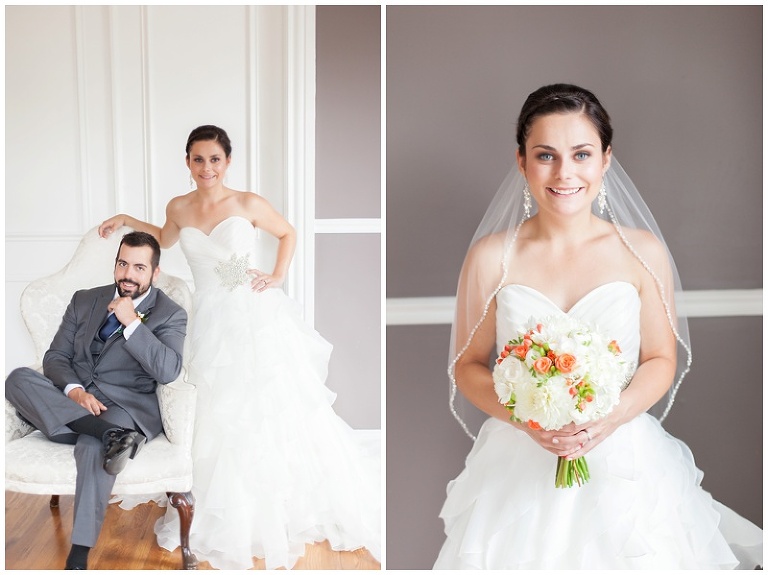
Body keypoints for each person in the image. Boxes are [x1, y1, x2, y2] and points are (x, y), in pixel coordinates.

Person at [433, 84, 763, 569]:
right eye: (546, 156)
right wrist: (528, 420)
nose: (565, 172)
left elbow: (660, 358)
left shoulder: (641, 252)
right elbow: (468, 367)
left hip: (624, 460)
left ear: (605, 159)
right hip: (520, 462)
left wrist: (610, 417)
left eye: (581, 154)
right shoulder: (489, 258)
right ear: (522, 162)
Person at [98, 125, 380, 570]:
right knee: (214, 409)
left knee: (264, 407)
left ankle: (274, 505)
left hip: (253, 315)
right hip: (208, 317)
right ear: (187, 163)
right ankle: (214, 501)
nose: (206, 167)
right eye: (197, 159)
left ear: (227, 162)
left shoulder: (248, 203)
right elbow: (165, 240)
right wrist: (127, 218)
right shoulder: (178, 207)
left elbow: (287, 233)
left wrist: (278, 276)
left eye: (214, 159)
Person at [5, 231, 187, 570]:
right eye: (122, 264)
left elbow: (169, 370)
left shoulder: (169, 313)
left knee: (91, 446)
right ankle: (107, 436)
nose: (128, 275)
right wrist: (74, 390)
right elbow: (56, 356)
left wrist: (131, 323)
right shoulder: (85, 299)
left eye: (138, 267)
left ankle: (79, 552)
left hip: (123, 410)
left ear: (154, 273)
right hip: (73, 405)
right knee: (17, 378)